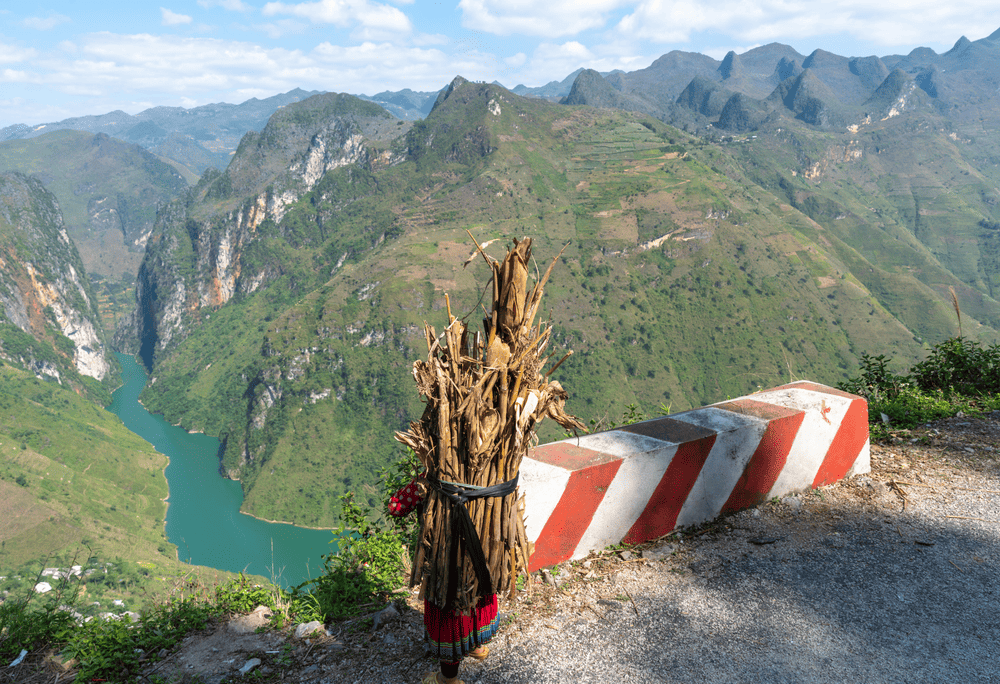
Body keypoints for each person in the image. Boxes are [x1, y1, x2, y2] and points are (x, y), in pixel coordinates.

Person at [389, 478, 499, 684]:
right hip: (484, 559)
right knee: (477, 598)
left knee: (450, 613)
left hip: (447, 564)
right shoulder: (489, 477)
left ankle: (448, 679)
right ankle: (476, 646)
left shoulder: (431, 479)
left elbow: (395, 507)